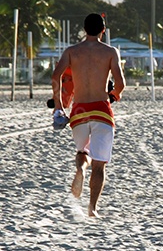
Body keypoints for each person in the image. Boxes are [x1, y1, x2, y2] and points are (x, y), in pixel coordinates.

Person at [51, 13, 126, 218]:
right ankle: (92, 208)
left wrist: (59, 106)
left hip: (79, 112)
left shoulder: (72, 51)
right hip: (101, 111)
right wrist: (114, 96)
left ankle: (80, 170)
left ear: (85, 30)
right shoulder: (110, 52)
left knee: (82, 152)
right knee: (99, 163)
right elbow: (120, 84)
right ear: (103, 30)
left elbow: (56, 76)